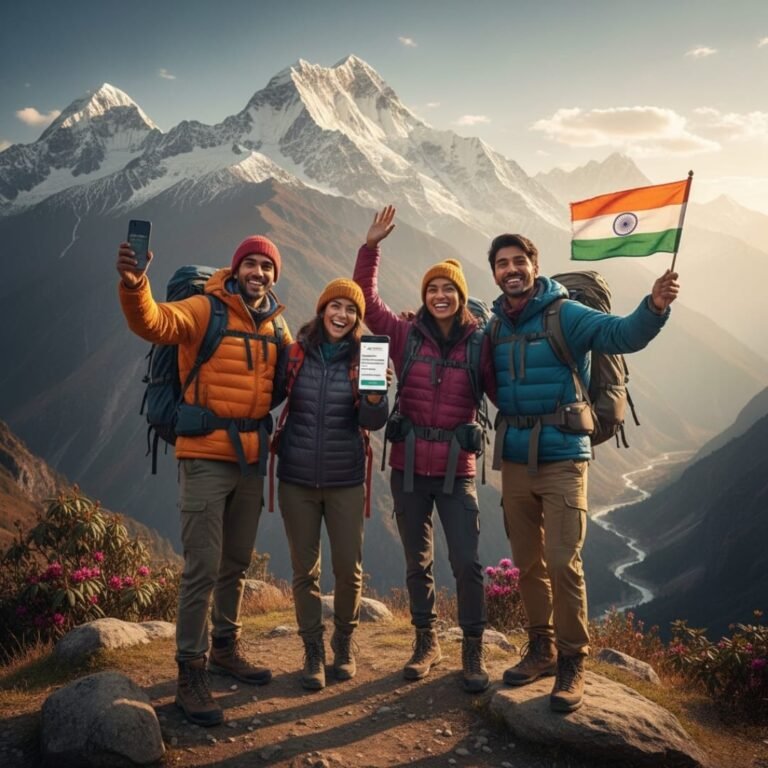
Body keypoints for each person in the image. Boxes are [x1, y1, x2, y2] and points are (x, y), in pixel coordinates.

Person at [487, 233, 680, 712]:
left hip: (564, 458)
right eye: (502, 263)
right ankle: (541, 648)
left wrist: (653, 306)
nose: (511, 270)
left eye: (519, 261)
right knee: (527, 561)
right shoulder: (495, 326)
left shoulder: (565, 314)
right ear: (494, 271)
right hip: (513, 459)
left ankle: (572, 660)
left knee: (560, 560)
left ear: (534, 265)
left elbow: (622, 334)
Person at [117, 235, 291, 726]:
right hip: (205, 457)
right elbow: (153, 322)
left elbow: (301, 369)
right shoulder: (202, 308)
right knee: (201, 566)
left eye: (267, 267)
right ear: (236, 269)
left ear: (275, 275)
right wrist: (135, 285)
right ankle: (189, 673)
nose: (259, 273)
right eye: (251, 265)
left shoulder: (275, 324)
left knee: (234, 562)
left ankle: (225, 647)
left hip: (251, 461)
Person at [353, 206, 497, 693]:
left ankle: (472, 652)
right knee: (418, 562)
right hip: (409, 467)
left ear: (460, 298)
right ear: (425, 296)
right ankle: (425, 642)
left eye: (448, 290)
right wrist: (370, 248)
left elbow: (506, 389)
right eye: (433, 290)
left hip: (457, 470)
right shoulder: (403, 335)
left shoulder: (480, 344)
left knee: (468, 563)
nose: (439, 296)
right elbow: (367, 303)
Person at [271, 279, 389, 691]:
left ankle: (343, 642)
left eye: (350, 310)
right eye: (335, 306)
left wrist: (376, 396)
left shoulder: (365, 359)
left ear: (357, 318)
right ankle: (313, 650)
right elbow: (266, 395)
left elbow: (373, 423)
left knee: (347, 570)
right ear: (322, 309)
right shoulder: (295, 353)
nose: (342, 315)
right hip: (296, 479)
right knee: (305, 572)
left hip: (345, 480)